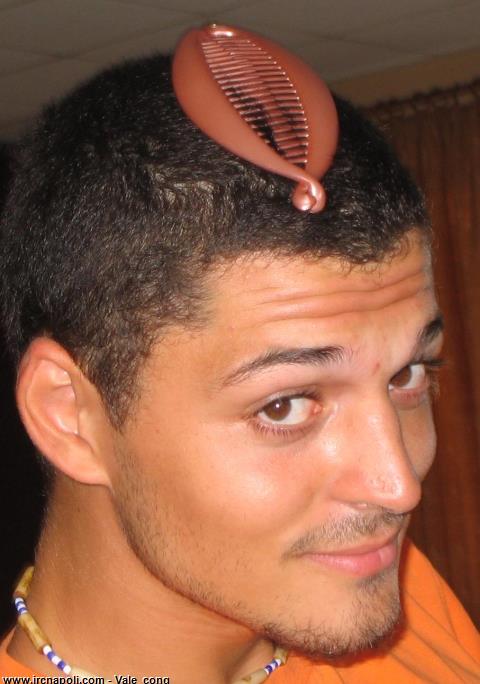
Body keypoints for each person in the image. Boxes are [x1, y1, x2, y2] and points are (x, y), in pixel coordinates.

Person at [0, 30, 479, 683]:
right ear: (68, 415)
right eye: (285, 406)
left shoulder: (389, 592)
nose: (398, 485)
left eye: (408, 375)